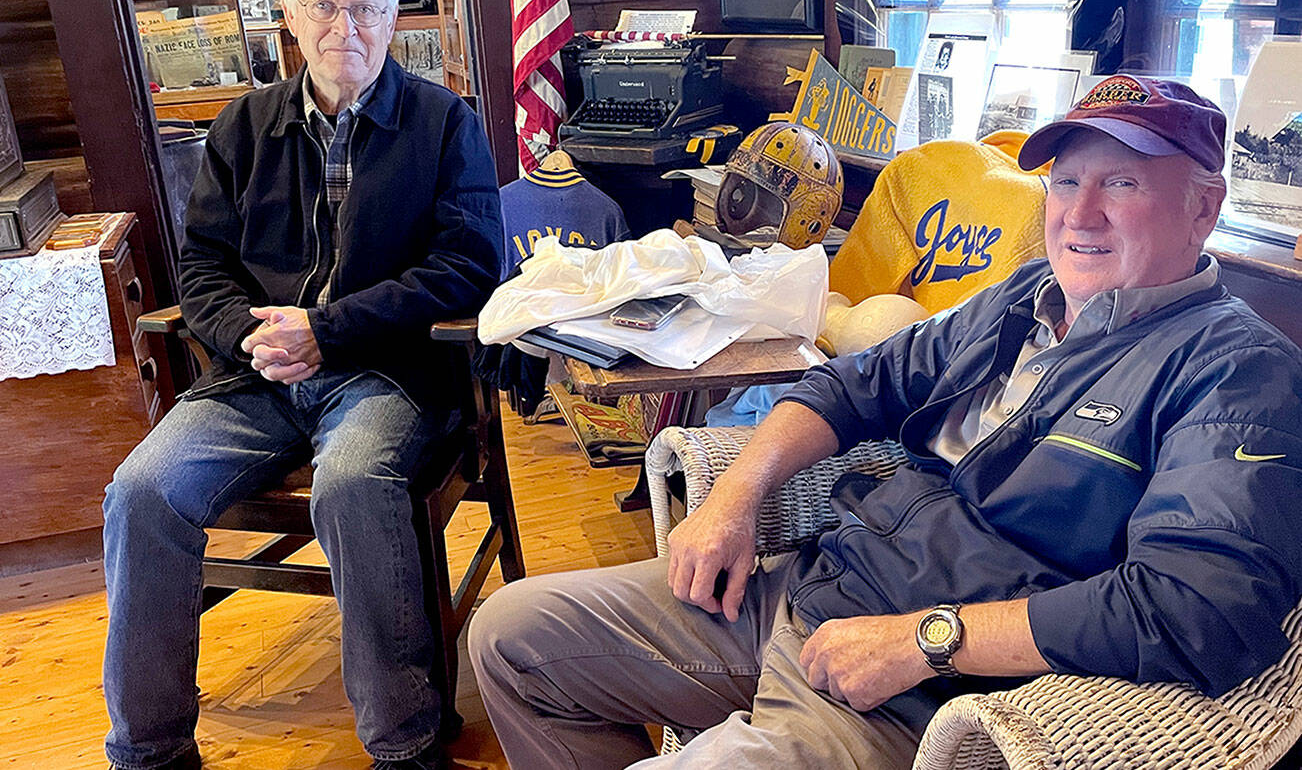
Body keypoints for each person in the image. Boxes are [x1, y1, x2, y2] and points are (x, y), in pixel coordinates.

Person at [469, 75, 1302, 768]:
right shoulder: (1023, 298)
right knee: (510, 639)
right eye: (1067, 181)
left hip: (920, 693)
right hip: (810, 590)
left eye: (1122, 183)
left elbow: (1198, 606)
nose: (1080, 214)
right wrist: (734, 501)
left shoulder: (1236, 371)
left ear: (1204, 207)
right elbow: (854, 383)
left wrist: (926, 641)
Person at [102, 0, 501, 770]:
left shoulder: (444, 123)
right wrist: (252, 336)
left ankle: (405, 742)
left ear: (393, 20)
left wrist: (327, 329)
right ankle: (149, 750)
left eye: (365, 10)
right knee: (140, 491)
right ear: (289, 16)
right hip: (254, 378)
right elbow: (202, 267)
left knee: (352, 484)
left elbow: (467, 266)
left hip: (384, 373)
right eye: (324, 7)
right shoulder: (242, 127)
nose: (344, 28)